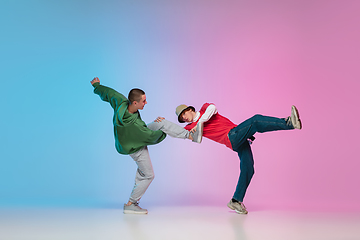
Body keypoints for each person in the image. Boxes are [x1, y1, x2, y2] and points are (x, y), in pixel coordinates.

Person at [90, 77, 200, 214]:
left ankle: (190, 135)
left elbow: (109, 93)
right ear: (135, 102)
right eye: (143, 101)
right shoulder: (137, 127)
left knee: (162, 123)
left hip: (132, 137)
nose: (146, 103)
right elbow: (150, 137)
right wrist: (163, 131)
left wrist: (97, 86)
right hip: (133, 146)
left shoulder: (121, 102)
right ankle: (131, 203)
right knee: (148, 175)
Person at [175, 103, 302, 214]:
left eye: (184, 114)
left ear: (190, 109)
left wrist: (200, 122)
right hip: (232, 137)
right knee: (256, 121)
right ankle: (289, 123)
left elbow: (213, 108)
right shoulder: (190, 127)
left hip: (238, 136)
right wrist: (161, 126)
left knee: (248, 169)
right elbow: (179, 133)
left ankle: (236, 200)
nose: (184, 118)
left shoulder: (204, 109)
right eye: (182, 118)